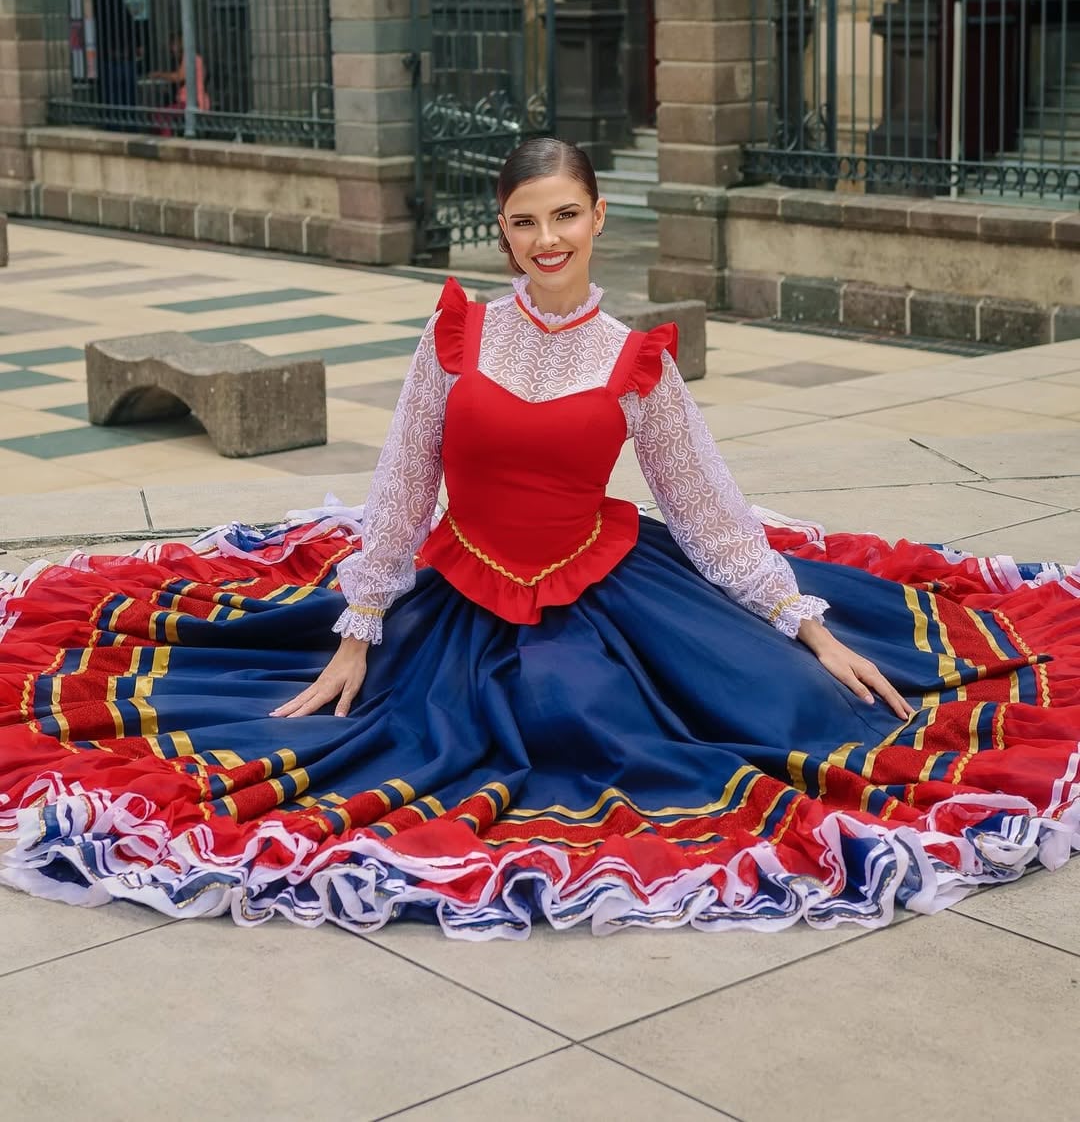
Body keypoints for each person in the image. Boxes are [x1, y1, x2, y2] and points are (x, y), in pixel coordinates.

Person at [1, 137, 1077, 940]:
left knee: (752, 711)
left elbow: (707, 509)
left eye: (566, 215)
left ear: (600, 216)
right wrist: (358, 624)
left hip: (607, 584)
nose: (546, 240)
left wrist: (803, 623)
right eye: (525, 221)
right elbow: (403, 481)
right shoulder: (456, 331)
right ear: (502, 228)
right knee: (371, 728)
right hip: (456, 587)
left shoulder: (637, 359)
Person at [148, 31, 210, 134]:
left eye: (173, 45)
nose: (171, 49)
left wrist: (159, 74)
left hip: (192, 102)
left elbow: (179, 77)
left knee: (159, 115)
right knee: (161, 113)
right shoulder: (193, 57)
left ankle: (166, 140)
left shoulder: (190, 57)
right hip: (192, 101)